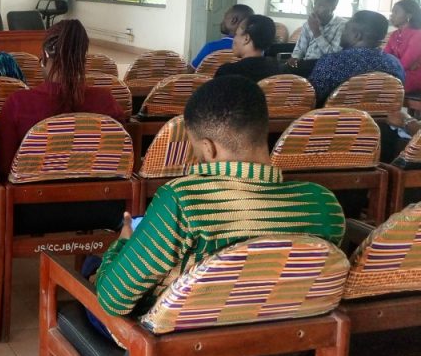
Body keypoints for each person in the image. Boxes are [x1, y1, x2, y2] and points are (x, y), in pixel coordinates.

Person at [95, 75, 345, 319]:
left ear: (209, 147)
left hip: (176, 340)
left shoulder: (183, 200)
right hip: (287, 337)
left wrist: (123, 243)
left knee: (94, 269)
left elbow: (113, 301)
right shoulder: (324, 204)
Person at [0, 19, 124, 181]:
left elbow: (4, 167)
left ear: (44, 56)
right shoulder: (106, 101)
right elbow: (121, 159)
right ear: (83, 59)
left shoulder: (18, 104)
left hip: (32, 195)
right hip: (100, 195)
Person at [307, 10, 404, 105]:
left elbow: (311, 99)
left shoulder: (332, 62)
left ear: (357, 36)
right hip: (379, 116)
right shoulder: (395, 64)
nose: (342, 33)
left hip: (334, 115)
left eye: (345, 29)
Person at [214, 15, 283, 82]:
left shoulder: (227, 72)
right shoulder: (277, 70)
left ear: (246, 39)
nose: (234, 39)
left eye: (236, 35)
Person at [289, 0, 346, 67]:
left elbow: (333, 56)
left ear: (333, 8)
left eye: (321, 6)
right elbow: (300, 48)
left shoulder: (342, 25)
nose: (315, 10)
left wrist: (316, 32)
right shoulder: (308, 23)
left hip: (325, 66)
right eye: (315, 5)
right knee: (281, 67)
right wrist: (295, 58)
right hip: (306, 63)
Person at [190, 4, 254, 69]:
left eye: (225, 17)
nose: (222, 21)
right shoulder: (252, 51)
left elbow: (191, 71)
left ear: (233, 20)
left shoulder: (211, 47)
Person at [384, 0, 421, 94]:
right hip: (398, 72)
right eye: (392, 12)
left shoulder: (418, 35)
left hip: (414, 75)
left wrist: (386, 69)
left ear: (408, 16)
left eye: (396, 12)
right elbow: (384, 57)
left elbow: (405, 63)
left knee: (379, 84)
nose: (392, 15)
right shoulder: (394, 34)